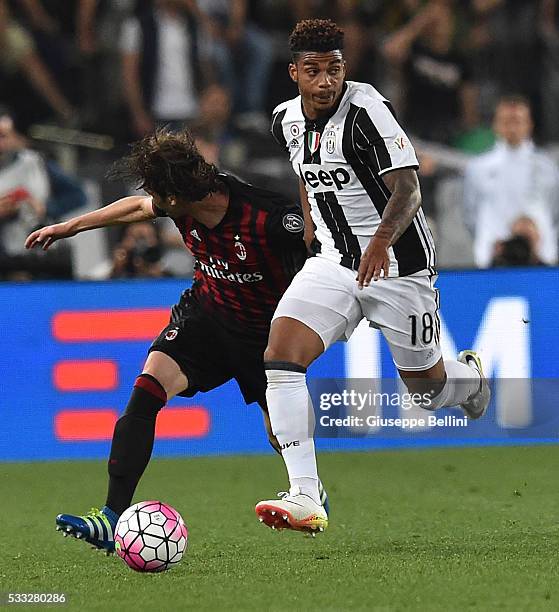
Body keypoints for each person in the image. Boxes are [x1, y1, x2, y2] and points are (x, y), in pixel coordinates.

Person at [25, 128, 328, 552]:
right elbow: (135, 206)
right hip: (204, 317)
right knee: (148, 389)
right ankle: (111, 517)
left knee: (279, 433)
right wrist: (72, 226)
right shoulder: (178, 205)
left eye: (155, 192)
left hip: (263, 336)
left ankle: (308, 492)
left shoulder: (269, 218)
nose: (151, 198)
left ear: (175, 194)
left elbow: (320, 263)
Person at [254, 19, 490, 535]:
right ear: (294, 73)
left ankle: (470, 382)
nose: (325, 82)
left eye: (334, 69)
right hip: (336, 263)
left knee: (427, 391)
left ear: (345, 69)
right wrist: (313, 221)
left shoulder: (367, 111)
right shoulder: (284, 121)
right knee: (280, 357)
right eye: (312, 71)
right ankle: (305, 494)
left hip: (398, 266)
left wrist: (379, 243)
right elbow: (304, 169)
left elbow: (408, 191)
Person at [463, 95, 559, 268]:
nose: (512, 127)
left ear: (530, 124)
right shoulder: (478, 168)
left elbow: (554, 210)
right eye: (506, 121)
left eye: (518, 121)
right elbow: (471, 214)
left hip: (540, 255)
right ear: (496, 125)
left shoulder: (548, 168)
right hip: (493, 252)